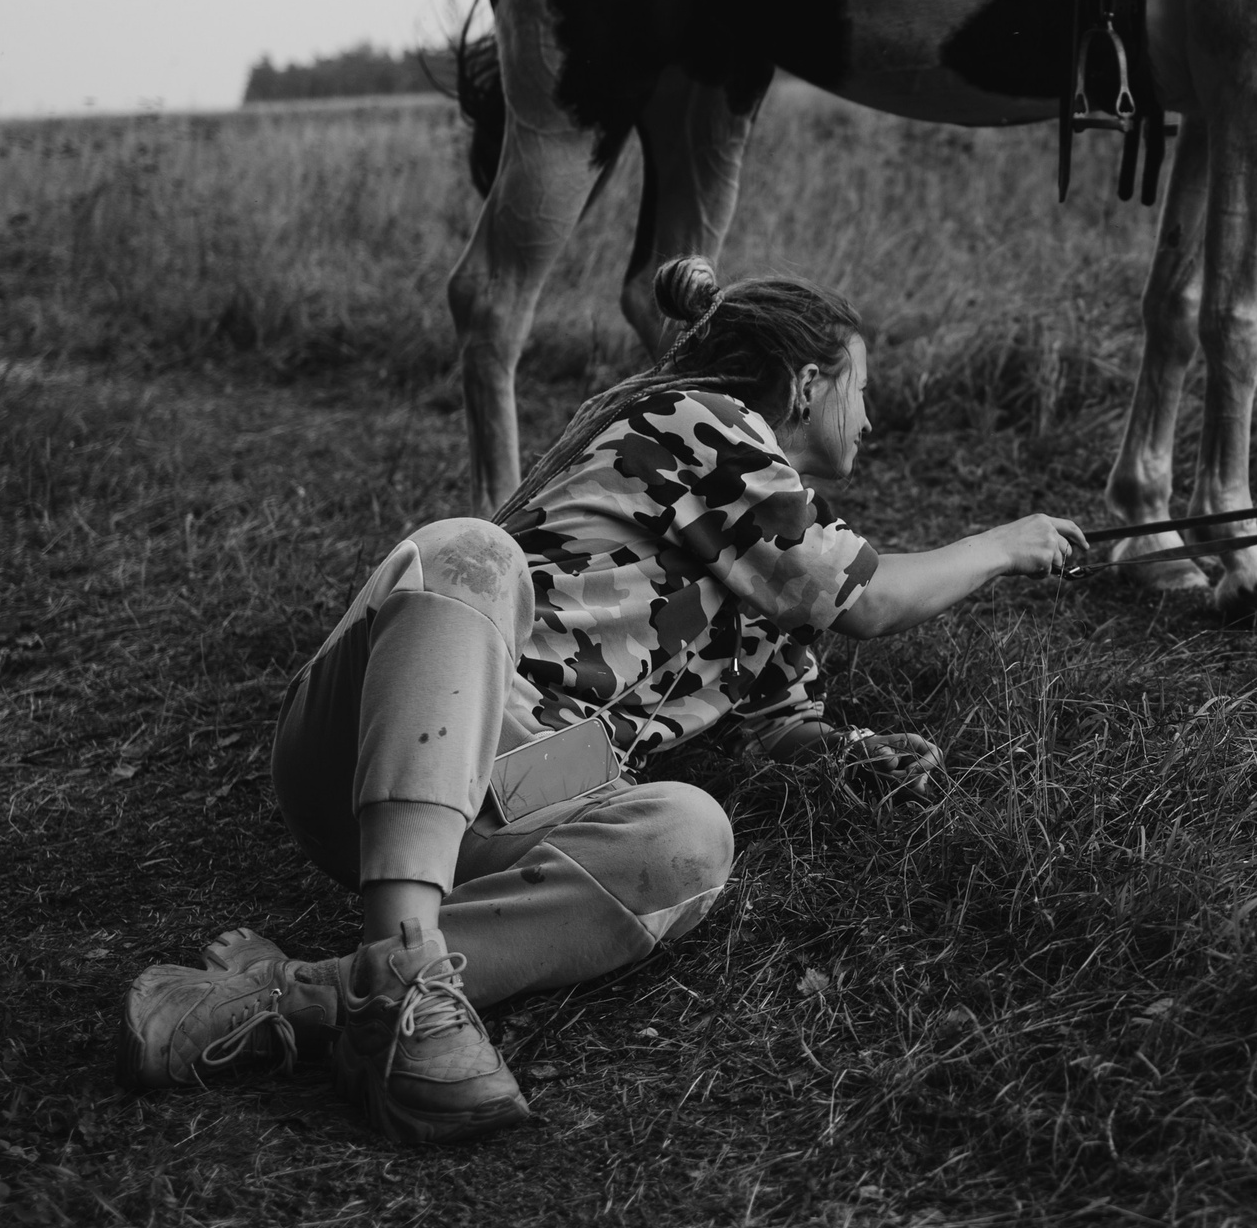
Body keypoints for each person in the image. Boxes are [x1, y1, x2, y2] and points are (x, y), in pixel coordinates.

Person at [117, 257, 1085, 1143]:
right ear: (805, 387)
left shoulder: (778, 546)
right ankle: (406, 969)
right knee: (473, 552)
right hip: (380, 733)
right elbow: (859, 597)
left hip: (513, 791)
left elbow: (781, 726)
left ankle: (332, 995)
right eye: (860, 389)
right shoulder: (707, 427)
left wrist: (848, 753)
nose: (871, 419)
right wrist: (1007, 543)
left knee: (692, 835)